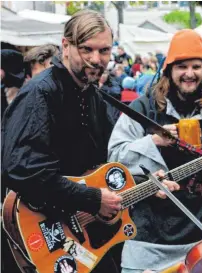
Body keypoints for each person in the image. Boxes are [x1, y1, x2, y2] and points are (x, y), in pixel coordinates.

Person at [108, 29, 202, 273]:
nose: (189, 74)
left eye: (196, 66)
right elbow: (115, 159)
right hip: (146, 246)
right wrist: (153, 142)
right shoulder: (143, 107)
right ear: (169, 69)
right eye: (182, 66)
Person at [1, 10, 122, 273]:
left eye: (104, 51)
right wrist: (90, 198)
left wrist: (149, 180)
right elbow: (21, 168)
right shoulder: (41, 92)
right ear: (65, 46)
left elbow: (102, 161)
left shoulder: (91, 95)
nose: (95, 59)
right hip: (39, 228)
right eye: (86, 49)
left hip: (79, 231)